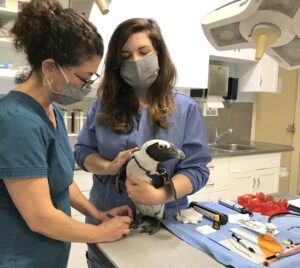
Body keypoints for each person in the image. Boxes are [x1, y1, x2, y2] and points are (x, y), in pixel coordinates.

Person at [0, 1, 133, 267]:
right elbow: (39, 216)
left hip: (49, 255)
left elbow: (61, 180)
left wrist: (98, 214)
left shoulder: (52, 111)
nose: (86, 87)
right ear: (49, 67)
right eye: (83, 78)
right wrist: (98, 233)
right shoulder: (15, 121)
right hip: (21, 259)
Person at [74, 17, 211, 266]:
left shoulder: (184, 108)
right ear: (116, 63)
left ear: (158, 52)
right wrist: (108, 167)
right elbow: (83, 152)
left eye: (143, 52)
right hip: (109, 222)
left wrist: (160, 194)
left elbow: (197, 169)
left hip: (164, 227)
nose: (135, 61)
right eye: (125, 56)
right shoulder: (103, 107)